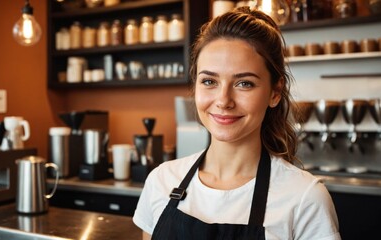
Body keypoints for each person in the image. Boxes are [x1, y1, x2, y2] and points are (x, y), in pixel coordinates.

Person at [133, 7, 340, 240]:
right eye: (209, 81)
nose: (223, 101)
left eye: (244, 84)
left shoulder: (304, 198)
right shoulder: (161, 181)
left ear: (275, 92)